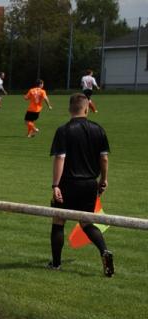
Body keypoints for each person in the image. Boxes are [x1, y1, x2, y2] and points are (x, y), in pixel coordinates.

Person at [48, 93, 114, 277]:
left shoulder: (63, 130)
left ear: (70, 109)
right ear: (87, 108)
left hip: (68, 183)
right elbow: (104, 158)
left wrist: (55, 185)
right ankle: (104, 251)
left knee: (59, 220)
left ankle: (56, 264)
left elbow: (60, 158)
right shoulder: (98, 129)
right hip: (89, 184)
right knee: (86, 222)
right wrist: (103, 179)